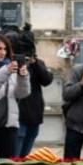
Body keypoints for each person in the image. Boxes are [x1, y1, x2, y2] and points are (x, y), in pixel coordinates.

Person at [12, 28, 55, 157]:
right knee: (15, 156)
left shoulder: (37, 63)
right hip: (18, 116)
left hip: (34, 115)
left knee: (25, 156)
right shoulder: (12, 63)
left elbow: (47, 80)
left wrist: (34, 63)